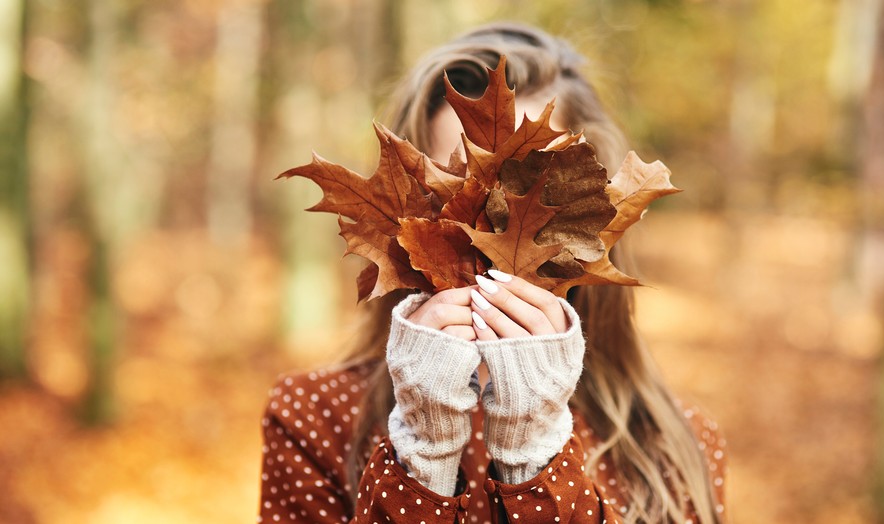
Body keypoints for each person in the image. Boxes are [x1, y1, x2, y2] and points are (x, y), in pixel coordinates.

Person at [258, 22, 727, 524]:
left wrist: (536, 460)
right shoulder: (315, 417)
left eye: (525, 192)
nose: (487, 234)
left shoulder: (674, 444)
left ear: (595, 214)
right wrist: (423, 456)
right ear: (399, 220)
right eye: (454, 192)